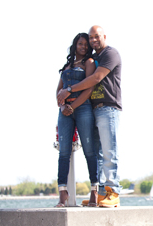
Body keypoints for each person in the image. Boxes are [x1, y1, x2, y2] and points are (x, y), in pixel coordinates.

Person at [57, 25, 122, 208]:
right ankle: (101, 194)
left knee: (109, 151)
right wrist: (64, 104)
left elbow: (94, 80)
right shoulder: (93, 58)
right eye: (90, 38)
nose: (92, 41)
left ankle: (113, 192)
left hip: (108, 108)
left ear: (104, 36)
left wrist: (68, 91)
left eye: (96, 37)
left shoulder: (110, 54)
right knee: (98, 153)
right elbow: (60, 87)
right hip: (93, 109)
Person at [54, 33, 100, 207]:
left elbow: (88, 89)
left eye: (86, 45)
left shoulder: (89, 63)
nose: (84, 47)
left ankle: (94, 191)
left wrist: (72, 107)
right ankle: (62, 193)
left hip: (83, 109)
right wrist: (62, 107)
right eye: (80, 44)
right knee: (63, 152)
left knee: (89, 150)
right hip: (65, 112)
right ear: (75, 45)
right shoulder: (67, 66)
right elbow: (58, 91)